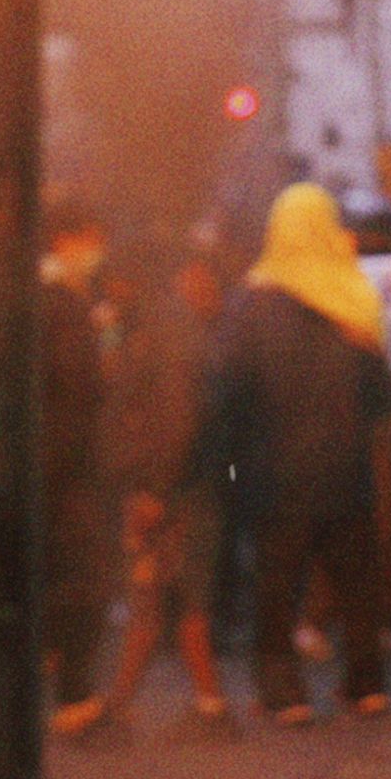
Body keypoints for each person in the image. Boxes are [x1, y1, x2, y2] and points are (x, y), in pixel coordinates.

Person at [212, 183, 391, 722]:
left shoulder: (252, 303)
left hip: (276, 473)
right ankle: (366, 683)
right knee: (357, 584)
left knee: (277, 588)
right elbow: (380, 393)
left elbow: (230, 388)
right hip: (346, 469)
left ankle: (284, 691)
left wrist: (230, 466)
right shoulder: (354, 294)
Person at [101, 250, 230, 723]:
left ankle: (193, 705)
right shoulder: (178, 330)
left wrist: (153, 489)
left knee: (158, 596)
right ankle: (200, 703)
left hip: (173, 491)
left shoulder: (167, 333)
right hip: (184, 487)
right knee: (169, 597)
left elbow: (177, 418)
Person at [40, 199, 111, 735]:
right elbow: (78, 385)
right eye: (89, 237)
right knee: (81, 576)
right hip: (67, 461)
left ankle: (62, 677)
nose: (96, 250)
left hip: (49, 461)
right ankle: (73, 696)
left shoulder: (48, 298)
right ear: (65, 240)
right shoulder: (62, 304)